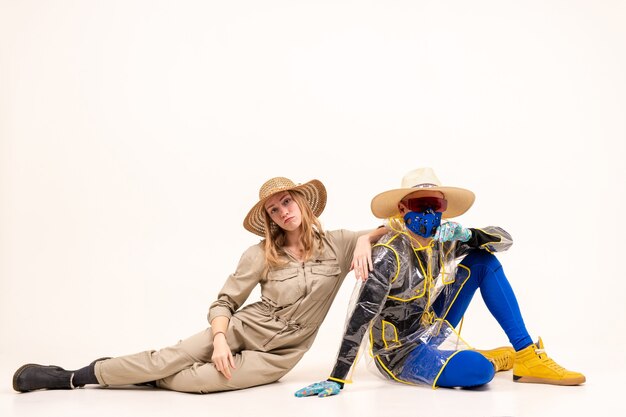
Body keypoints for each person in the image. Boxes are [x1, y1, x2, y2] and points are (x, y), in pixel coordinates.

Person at [13, 176, 388, 394]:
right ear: (270, 219)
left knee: (199, 383)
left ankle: (139, 375)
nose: (283, 212)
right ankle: (73, 377)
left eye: (287, 202)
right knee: (170, 357)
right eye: (274, 210)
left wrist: (361, 239)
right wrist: (222, 339)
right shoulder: (260, 254)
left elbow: (392, 229)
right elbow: (224, 303)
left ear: (303, 203)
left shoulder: (338, 243)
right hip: (242, 329)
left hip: (278, 355)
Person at [296, 168, 585, 398]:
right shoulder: (388, 253)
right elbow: (360, 316)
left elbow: (506, 240)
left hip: (430, 326)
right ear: (402, 209)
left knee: (483, 262)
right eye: (420, 205)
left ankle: (525, 354)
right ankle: (491, 359)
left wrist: (468, 235)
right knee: (480, 372)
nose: (429, 214)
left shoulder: (442, 241)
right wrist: (338, 376)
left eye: (436, 205)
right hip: (399, 353)